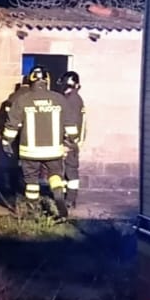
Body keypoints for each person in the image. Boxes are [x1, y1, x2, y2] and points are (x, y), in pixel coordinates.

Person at [0, 66, 69, 218]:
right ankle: (60, 202)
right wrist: (72, 142)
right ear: (47, 80)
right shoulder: (59, 99)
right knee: (56, 176)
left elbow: (12, 125)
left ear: (30, 80)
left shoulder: (22, 100)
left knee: (31, 181)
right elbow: (70, 125)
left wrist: (6, 142)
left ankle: (34, 212)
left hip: (30, 151)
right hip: (53, 151)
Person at [57, 70, 86, 213]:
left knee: (70, 171)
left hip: (69, 143)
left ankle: (69, 200)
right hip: (71, 142)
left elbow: (71, 124)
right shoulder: (73, 98)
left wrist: (68, 143)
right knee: (66, 172)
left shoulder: (72, 100)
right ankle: (66, 199)